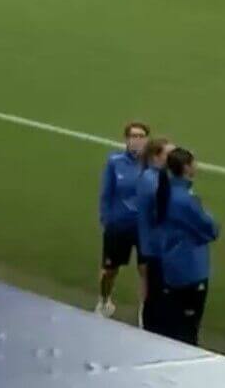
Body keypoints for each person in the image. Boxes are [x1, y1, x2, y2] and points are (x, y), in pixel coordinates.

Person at [148, 147, 216, 345]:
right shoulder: (185, 199)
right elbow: (210, 229)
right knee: (187, 330)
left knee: (171, 323)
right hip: (190, 269)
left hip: (171, 265)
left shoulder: (165, 191)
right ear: (186, 167)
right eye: (193, 163)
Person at [97, 120, 150, 318]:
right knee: (109, 270)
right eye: (133, 136)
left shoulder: (152, 165)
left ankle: (145, 310)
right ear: (126, 139)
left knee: (146, 270)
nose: (137, 140)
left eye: (141, 136)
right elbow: (106, 193)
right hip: (119, 227)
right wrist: (107, 220)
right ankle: (104, 300)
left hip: (145, 228)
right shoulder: (115, 162)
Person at [133, 136, 173, 329]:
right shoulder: (152, 181)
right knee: (153, 291)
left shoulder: (155, 177)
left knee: (151, 287)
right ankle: (147, 326)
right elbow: (161, 213)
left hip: (151, 243)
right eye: (169, 154)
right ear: (156, 157)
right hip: (154, 246)